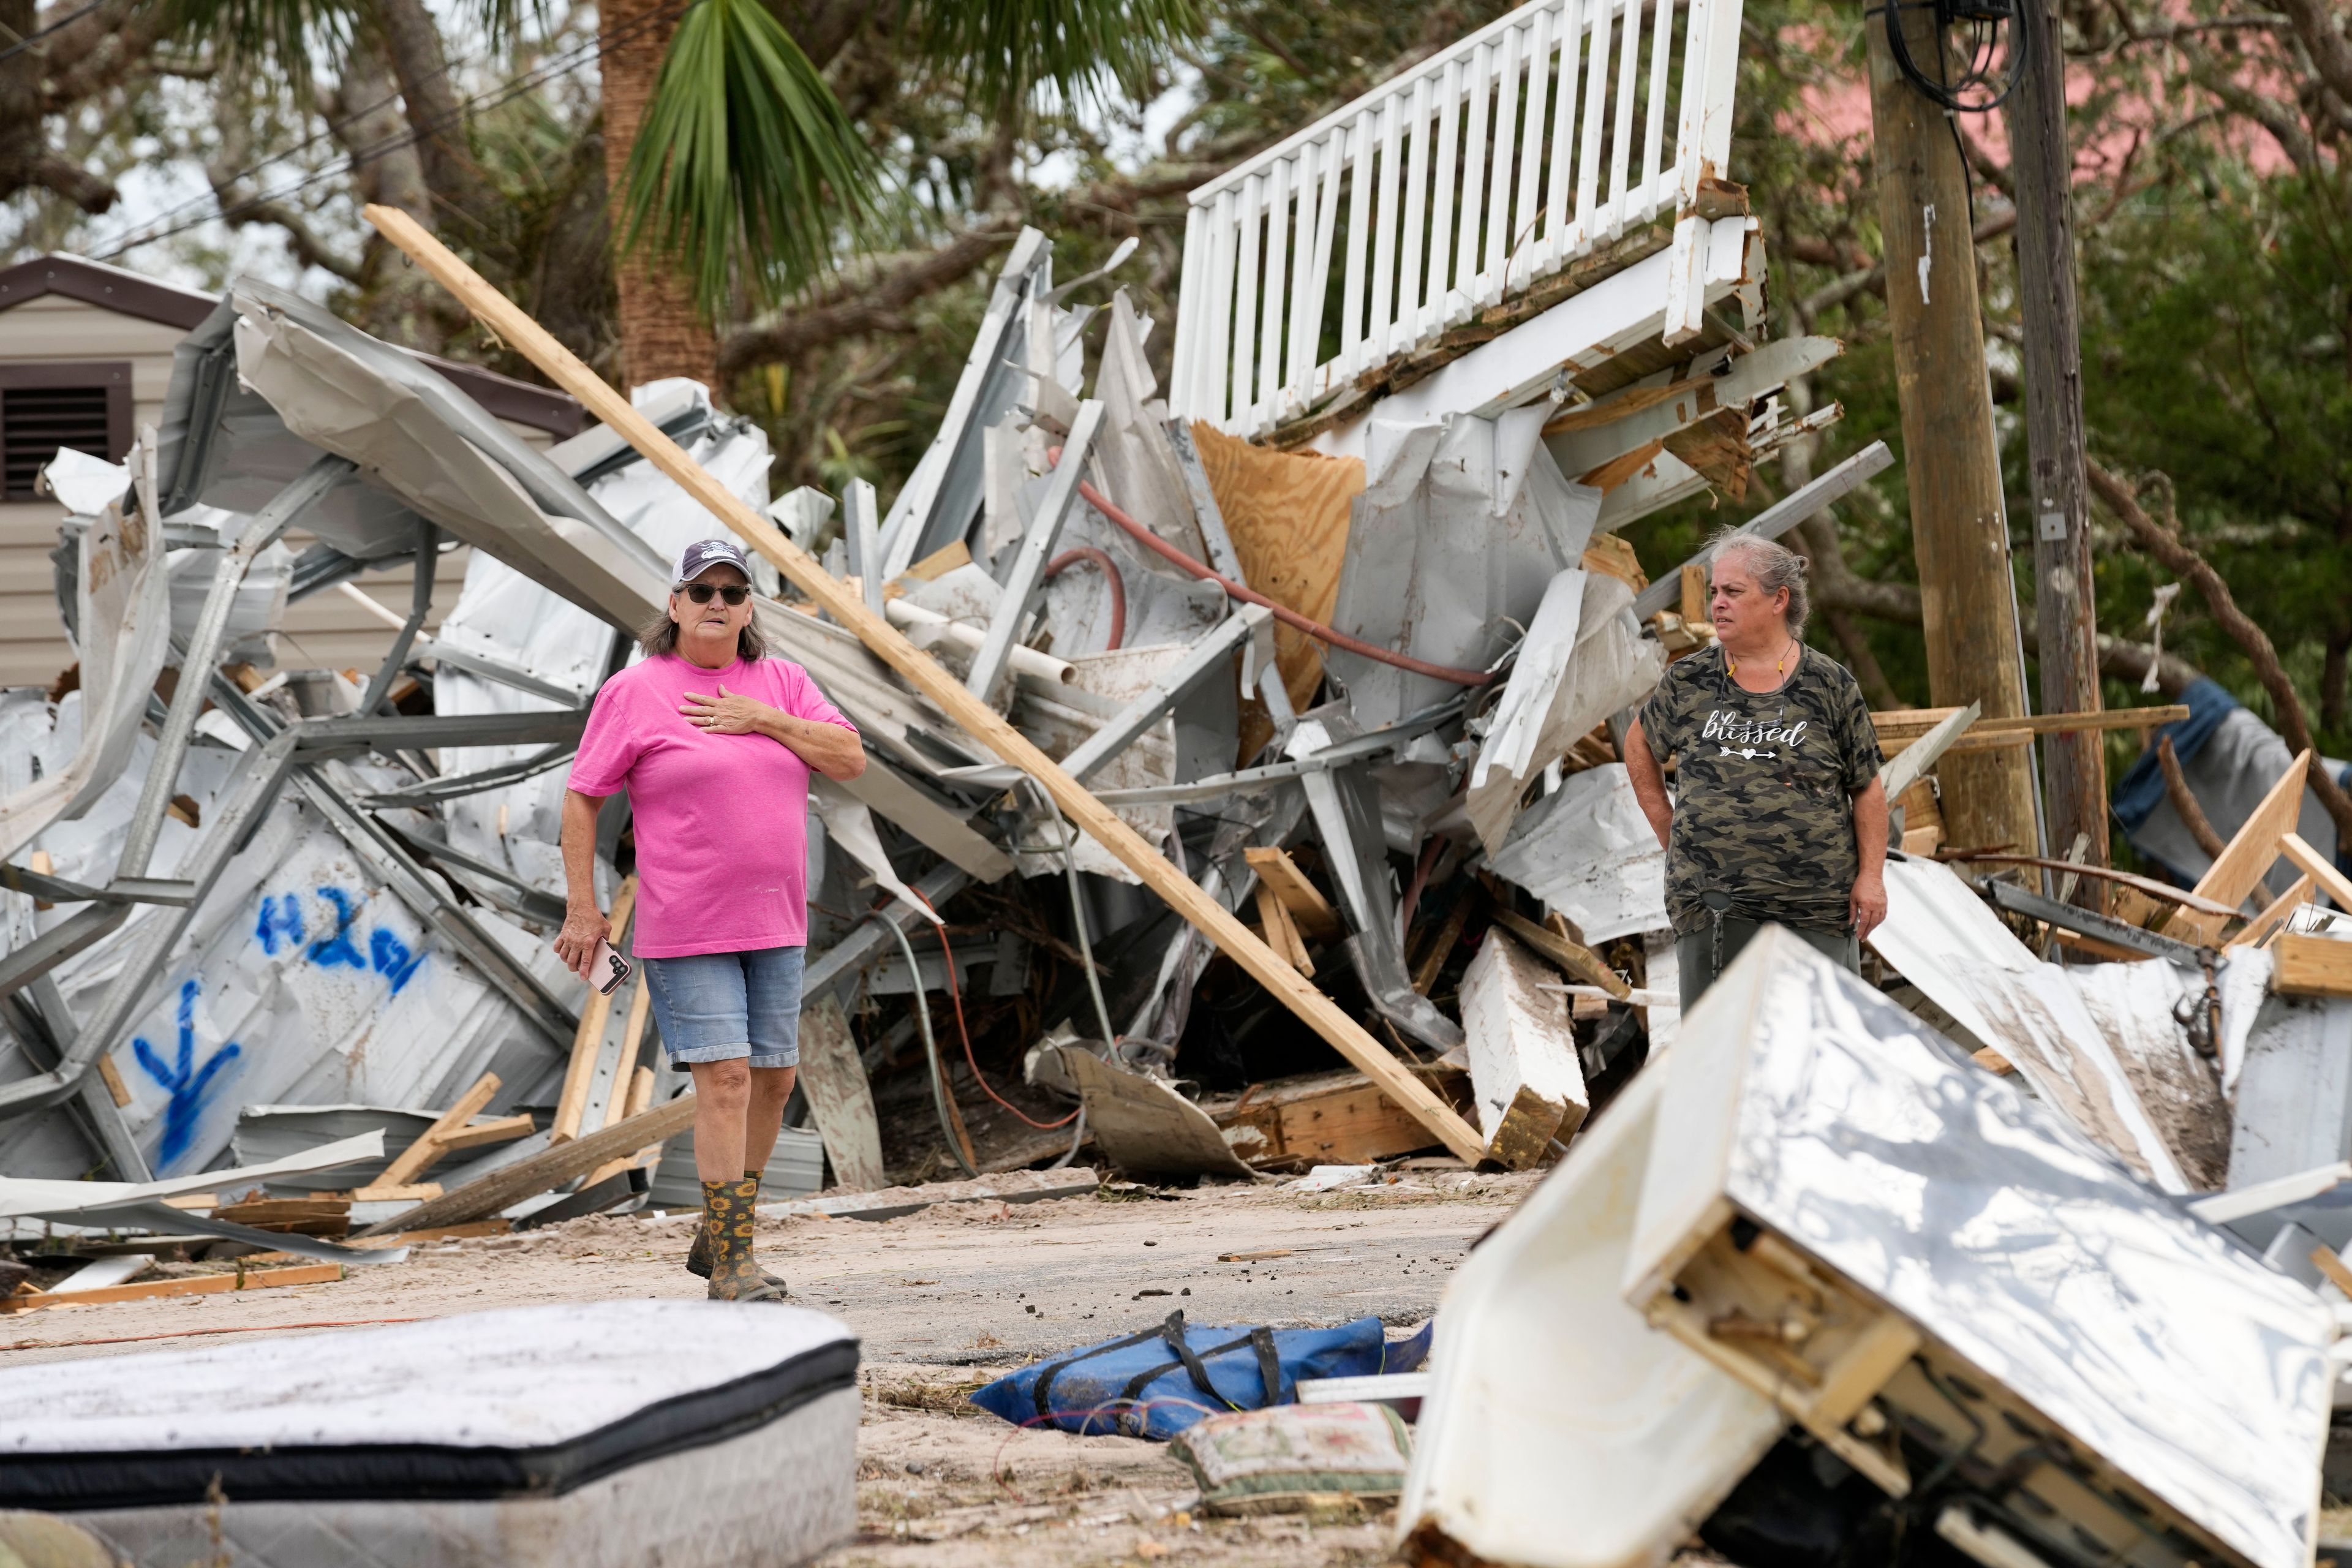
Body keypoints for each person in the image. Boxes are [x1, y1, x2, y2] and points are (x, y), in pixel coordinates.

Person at [555, 538, 865, 1302]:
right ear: (674, 604)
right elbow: (583, 796)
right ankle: (733, 1263)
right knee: (724, 1078)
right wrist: (584, 906)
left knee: (774, 1078)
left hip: (779, 920)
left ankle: (721, 1231)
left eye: (732, 591)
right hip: (688, 923)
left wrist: (763, 718)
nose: (717, 603)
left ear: (750, 606)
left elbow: (850, 757)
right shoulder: (636, 691)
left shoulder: (783, 682)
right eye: (701, 591)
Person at [1623, 529, 1888, 1012]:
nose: (1717, 603)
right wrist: (1669, 828)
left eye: (1733, 592)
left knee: (1819, 1060)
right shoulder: (1689, 681)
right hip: (1714, 912)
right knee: (1721, 1065)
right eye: (1715, 592)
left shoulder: (1831, 685)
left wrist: (1871, 877)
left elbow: (1867, 787)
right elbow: (1639, 743)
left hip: (1815, 912)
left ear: (1778, 600)